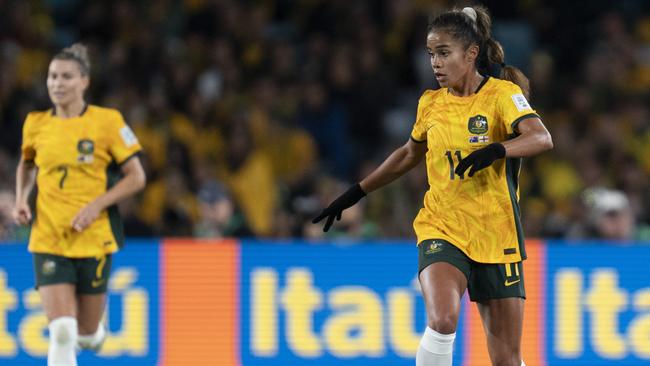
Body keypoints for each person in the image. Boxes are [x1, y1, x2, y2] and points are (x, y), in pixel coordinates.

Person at [313, 6, 553, 366]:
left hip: (496, 234)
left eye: (443, 53)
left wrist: (497, 149)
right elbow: (409, 154)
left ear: (471, 54)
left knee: (507, 359)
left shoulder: (502, 95)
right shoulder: (430, 103)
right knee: (442, 320)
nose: (435, 64)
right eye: (430, 54)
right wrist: (356, 192)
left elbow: (541, 138)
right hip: (443, 227)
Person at [12, 43, 146, 366]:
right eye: (52, 76)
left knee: (84, 334)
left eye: (66, 77)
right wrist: (21, 198)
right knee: (61, 331)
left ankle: (95, 332)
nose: (57, 83)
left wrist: (97, 205)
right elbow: (27, 164)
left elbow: (136, 177)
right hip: (50, 236)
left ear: (84, 81)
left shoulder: (108, 122)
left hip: (94, 237)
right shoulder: (35, 123)